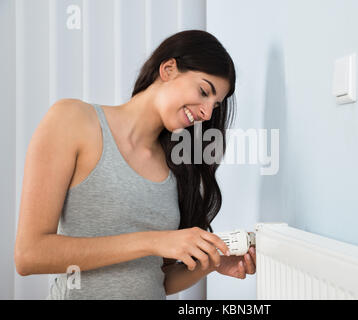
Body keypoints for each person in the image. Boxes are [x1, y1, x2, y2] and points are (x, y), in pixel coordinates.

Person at [14, 29, 256, 300]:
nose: (207, 113)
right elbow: (29, 255)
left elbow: (155, 278)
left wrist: (210, 264)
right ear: (168, 69)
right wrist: (152, 241)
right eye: (203, 91)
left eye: (215, 104)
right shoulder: (72, 120)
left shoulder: (177, 168)